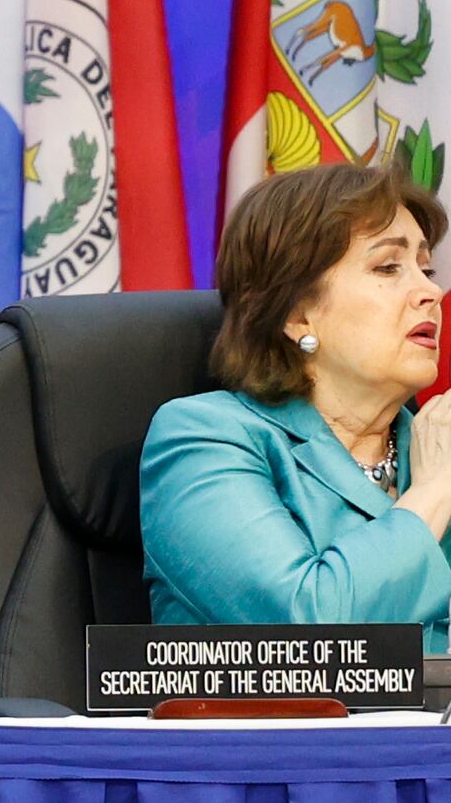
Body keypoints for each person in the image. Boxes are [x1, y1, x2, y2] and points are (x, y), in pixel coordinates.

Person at [140, 162, 451, 645]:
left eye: (426, 269)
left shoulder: (435, 446)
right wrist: (434, 492)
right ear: (295, 314)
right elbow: (304, 628)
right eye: (388, 267)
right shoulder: (202, 439)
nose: (431, 292)